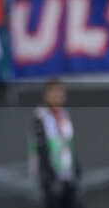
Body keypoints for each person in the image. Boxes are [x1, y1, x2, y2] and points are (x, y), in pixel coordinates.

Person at [27, 79, 81, 208]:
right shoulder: (40, 117)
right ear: (46, 94)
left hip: (66, 174)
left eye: (60, 93)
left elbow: (68, 144)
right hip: (47, 177)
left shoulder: (64, 115)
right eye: (54, 92)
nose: (58, 96)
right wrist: (48, 173)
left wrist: (76, 167)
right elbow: (40, 146)